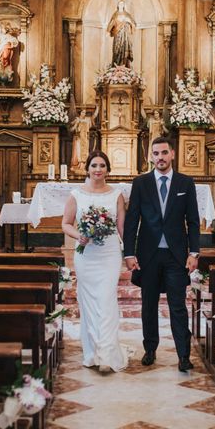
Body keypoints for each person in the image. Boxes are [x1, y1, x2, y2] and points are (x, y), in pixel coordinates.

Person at [123, 137, 201, 372]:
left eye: (164, 153)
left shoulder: (185, 183)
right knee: (148, 305)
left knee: (178, 306)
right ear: (151, 157)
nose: (160, 157)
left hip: (176, 256)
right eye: (156, 153)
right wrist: (129, 253)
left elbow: (193, 221)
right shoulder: (141, 183)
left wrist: (194, 252)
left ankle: (183, 355)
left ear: (172, 154)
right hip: (148, 255)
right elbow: (131, 221)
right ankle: (150, 348)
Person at [61, 151, 129, 372]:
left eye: (102, 165)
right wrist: (78, 235)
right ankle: (92, 352)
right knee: (89, 302)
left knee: (107, 300)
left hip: (109, 253)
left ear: (108, 170)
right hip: (86, 254)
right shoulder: (76, 194)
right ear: (87, 169)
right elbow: (66, 223)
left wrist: (130, 251)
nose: (98, 169)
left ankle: (107, 354)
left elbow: (121, 227)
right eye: (94, 165)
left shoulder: (116, 194)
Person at [107, 0, 135, 68]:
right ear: (118, 5)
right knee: (117, 51)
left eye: (122, 4)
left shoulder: (127, 15)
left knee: (124, 49)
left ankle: (124, 66)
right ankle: (116, 66)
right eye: (120, 4)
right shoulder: (115, 15)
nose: (121, 5)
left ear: (124, 6)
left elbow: (133, 24)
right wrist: (108, 32)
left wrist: (129, 22)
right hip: (117, 36)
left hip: (125, 36)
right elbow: (111, 25)